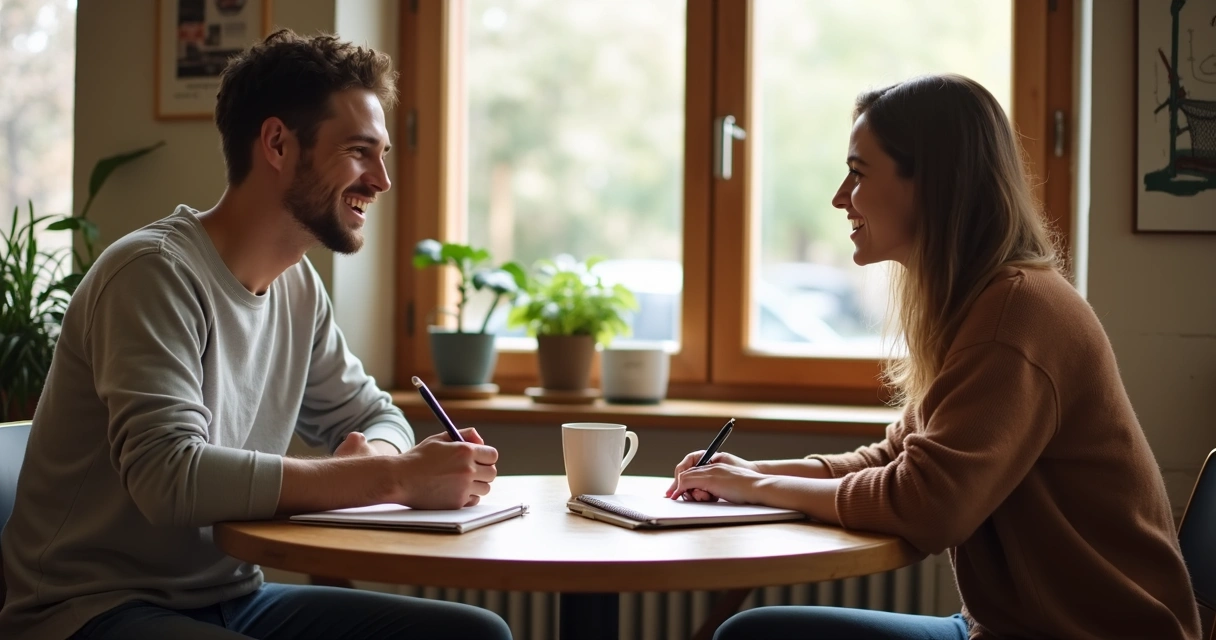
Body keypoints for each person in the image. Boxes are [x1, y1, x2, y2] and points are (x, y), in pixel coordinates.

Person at [0, 30, 511, 640]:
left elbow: (375, 413)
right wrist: (392, 477)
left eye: (384, 155)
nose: (382, 180)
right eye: (358, 151)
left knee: (475, 635)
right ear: (276, 143)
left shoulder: (298, 289)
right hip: (91, 610)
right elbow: (170, 479)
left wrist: (377, 454)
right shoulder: (152, 274)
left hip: (233, 597)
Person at [667, 74, 1202, 640]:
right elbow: (897, 458)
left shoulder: (1014, 314)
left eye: (858, 172)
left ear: (931, 185)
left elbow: (927, 505)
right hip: (1002, 628)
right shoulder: (982, 302)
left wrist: (757, 490)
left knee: (752, 637)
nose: (839, 197)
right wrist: (749, 473)